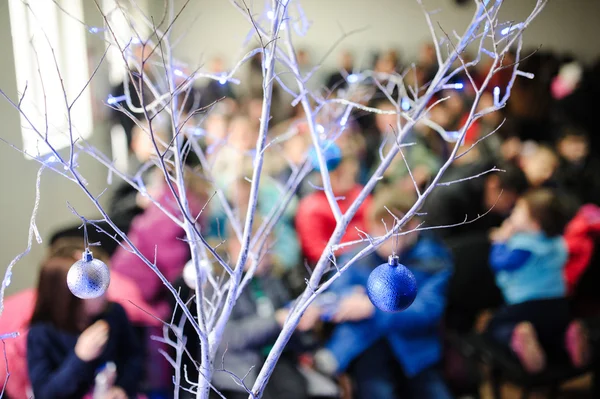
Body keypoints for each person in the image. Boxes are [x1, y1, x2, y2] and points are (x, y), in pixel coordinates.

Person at [314, 188, 454, 399]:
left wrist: (372, 307)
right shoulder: (357, 256)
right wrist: (349, 299)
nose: (383, 237)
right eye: (379, 228)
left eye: (393, 229)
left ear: (413, 228)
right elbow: (337, 295)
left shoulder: (432, 261)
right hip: (362, 344)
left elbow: (427, 311)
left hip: (415, 347)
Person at [485, 188, 580, 373]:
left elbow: (499, 263)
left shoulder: (525, 246)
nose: (513, 213)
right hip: (559, 304)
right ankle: (567, 335)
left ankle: (515, 335)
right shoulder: (558, 242)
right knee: (549, 335)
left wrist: (500, 241)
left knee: (495, 327)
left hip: (525, 306)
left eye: (519, 211)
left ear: (535, 225)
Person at [27, 256, 143, 398]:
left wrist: (123, 388)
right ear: (68, 296)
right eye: (94, 284)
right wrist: (79, 357)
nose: (104, 291)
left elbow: (134, 357)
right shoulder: (40, 334)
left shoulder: (113, 314)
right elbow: (45, 393)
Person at [424, 162, 529, 241]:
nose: (508, 208)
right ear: (494, 184)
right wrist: (489, 237)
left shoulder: (484, 185)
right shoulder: (450, 197)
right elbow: (445, 243)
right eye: (508, 201)